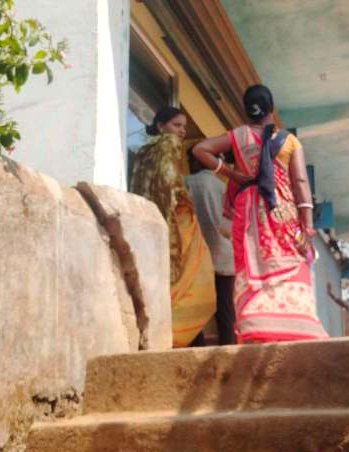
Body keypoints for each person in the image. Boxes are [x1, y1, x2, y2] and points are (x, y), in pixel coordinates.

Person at [193, 85, 328, 344]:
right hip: (282, 211)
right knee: (290, 258)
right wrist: (308, 226)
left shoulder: (238, 136)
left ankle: (256, 325)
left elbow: (200, 149)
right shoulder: (289, 141)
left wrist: (231, 172)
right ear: (271, 108)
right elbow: (300, 181)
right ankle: (297, 325)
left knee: (251, 261)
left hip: (248, 212)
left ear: (246, 110)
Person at [130, 105, 216, 348]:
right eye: (176, 125)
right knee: (193, 282)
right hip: (175, 222)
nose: (181, 131)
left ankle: (172, 335)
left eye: (183, 127)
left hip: (147, 224)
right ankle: (182, 336)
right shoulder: (168, 145)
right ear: (160, 126)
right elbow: (170, 183)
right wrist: (185, 201)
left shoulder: (142, 153)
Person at [185, 147, 236, 345]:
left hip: (196, 256)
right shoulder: (223, 187)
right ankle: (229, 350)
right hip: (224, 255)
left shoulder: (185, 183)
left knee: (193, 309)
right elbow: (230, 225)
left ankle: (197, 349)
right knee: (225, 310)